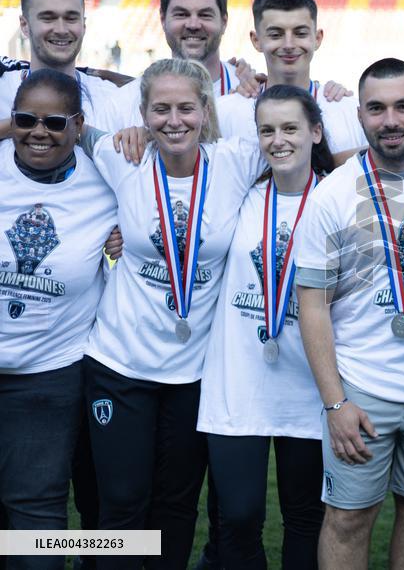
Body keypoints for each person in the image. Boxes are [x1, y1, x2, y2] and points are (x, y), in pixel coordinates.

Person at [80, 58, 266, 570]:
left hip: (195, 375)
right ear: (142, 114)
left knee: (175, 507)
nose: (174, 120)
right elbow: (68, 126)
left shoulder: (235, 160)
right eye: (160, 109)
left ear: (205, 111)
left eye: (186, 107)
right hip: (119, 366)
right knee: (122, 503)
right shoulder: (124, 157)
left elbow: (300, 133)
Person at [295, 58, 404, 569]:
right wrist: (335, 403)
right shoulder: (334, 194)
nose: (391, 119)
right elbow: (312, 306)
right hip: (362, 389)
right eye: (377, 108)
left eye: (403, 106)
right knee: (347, 517)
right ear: (361, 116)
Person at [196, 85, 336, 568]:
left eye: (291, 128)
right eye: (267, 130)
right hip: (239, 385)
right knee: (237, 516)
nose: (279, 140)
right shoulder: (239, 193)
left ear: (316, 132)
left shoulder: (337, 202)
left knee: (305, 520)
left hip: (310, 388)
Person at [0, 70, 117, 570]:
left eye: (53, 121)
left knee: (35, 512)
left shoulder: (108, 183)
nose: (38, 131)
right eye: (25, 120)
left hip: (49, 375)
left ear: (78, 124)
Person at [215, 0, 367, 156]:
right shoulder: (225, 112)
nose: (289, 45)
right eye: (276, 35)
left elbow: (376, 180)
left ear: (317, 39)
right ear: (256, 40)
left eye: (300, 33)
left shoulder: (349, 110)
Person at [111, 0, 244, 131]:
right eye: (181, 14)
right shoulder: (124, 102)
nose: (193, 25)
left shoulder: (251, 92)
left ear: (224, 22)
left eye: (205, 15)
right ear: (162, 20)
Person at [0, 0, 119, 127]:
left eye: (71, 18)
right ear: (24, 25)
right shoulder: (2, 89)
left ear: (83, 25)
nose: (61, 30)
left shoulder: (112, 98)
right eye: (48, 18)